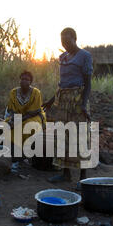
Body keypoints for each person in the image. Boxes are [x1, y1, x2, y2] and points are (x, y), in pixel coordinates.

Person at [43, 28, 94, 187]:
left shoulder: (84, 56)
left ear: (75, 38)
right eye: (62, 42)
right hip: (63, 101)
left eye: (67, 41)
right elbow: (62, 84)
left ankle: (83, 178)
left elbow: (88, 84)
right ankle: (65, 174)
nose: (65, 44)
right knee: (62, 137)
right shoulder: (63, 57)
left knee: (80, 138)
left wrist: (84, 105)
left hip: (78, 101)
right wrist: (51, 100)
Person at [5, 71, 46, 153]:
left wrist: (18, 121)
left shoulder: (36, 93)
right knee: (8, 125)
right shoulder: (13, 92)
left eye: (27, 79)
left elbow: (34, 112)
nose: (24, 81)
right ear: (19, 80)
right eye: (22, 79)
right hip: (18, 116)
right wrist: (13, 120)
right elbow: (12, 110)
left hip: (33, 116)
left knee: (27, 127)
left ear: (30, 82)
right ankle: (12, 149)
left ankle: (23, 149)